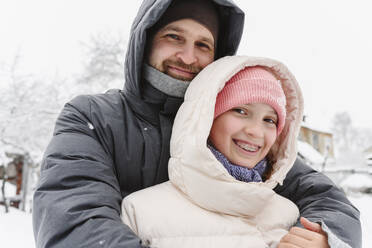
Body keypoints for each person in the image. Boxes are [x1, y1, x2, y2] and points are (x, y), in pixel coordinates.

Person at [32, 0, 361, 247]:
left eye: (203, 45)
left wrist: (323, 236)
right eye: (174, 37)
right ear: (145, 40)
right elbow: (73, 217)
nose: (188, 57)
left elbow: (326, 198)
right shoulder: (94, 117)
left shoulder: (227, 128)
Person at [120, 56, 343, 248]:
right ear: (208, 118)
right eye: (241, 111)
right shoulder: (141, 212)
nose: (256, 131)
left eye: (269, 120)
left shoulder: (289, 215)